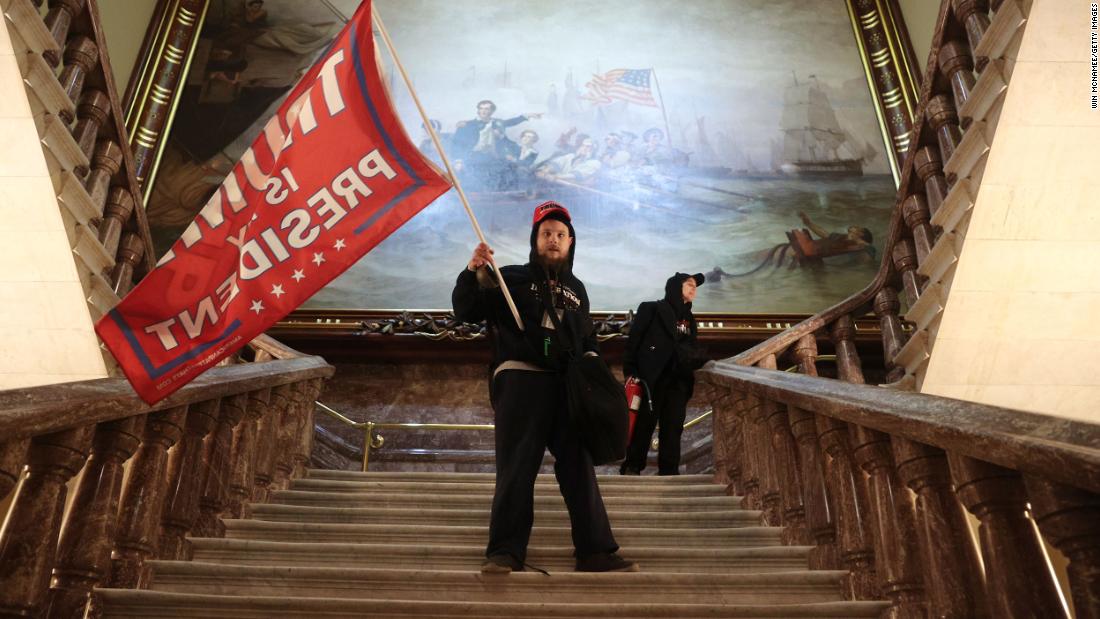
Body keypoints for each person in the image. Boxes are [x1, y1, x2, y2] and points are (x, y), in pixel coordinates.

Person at [452, 201, 638, 575]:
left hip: (567, 386)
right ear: (535, 239)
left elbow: (589, 340)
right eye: (546, 233)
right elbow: (467, 309)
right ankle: (505, 551)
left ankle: (595, 551)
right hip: (521, 378)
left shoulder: (577, 289)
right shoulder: (509, 278)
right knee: (517, 466)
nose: (553, 240)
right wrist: (473, 271)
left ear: (571, 242)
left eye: (560, 234)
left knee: (578, 468)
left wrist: (595, 374)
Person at [620, 273, 707, 476]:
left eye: (696, 286)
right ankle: (633, 466)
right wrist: (630, 372)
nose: (694, 289)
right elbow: (634, 342)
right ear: (675, 286)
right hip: (652, 378)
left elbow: (691, 348)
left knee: (674, 426)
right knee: (644, 424)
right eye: (689, 285)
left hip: (678, 380)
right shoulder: (651, 308)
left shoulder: (689, 319)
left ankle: (669, 472)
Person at [797, 211, 876, 259]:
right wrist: (809, 224)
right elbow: (825, 234)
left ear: (861, 233)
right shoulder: (841, 237)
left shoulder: (866, 246)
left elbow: (867, 254)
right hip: (810, 251)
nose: (854, 225)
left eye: (857, 227)